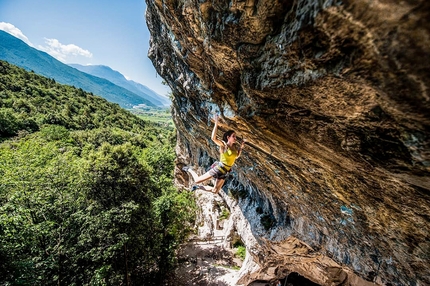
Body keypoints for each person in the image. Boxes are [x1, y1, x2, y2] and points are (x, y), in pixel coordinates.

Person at [182, 114, 246, 194]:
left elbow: (237, 156)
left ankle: (197, 187)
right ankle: (189, 169)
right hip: (218, 169)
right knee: (197, 180)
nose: (235, 138)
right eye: (233, 136)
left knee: (215, 191)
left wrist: (241, 148)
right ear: (228, 138)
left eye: (235, 136)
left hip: (225, 172)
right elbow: (213, 138)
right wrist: (216, 123)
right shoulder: (224, 145)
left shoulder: (234, 148)